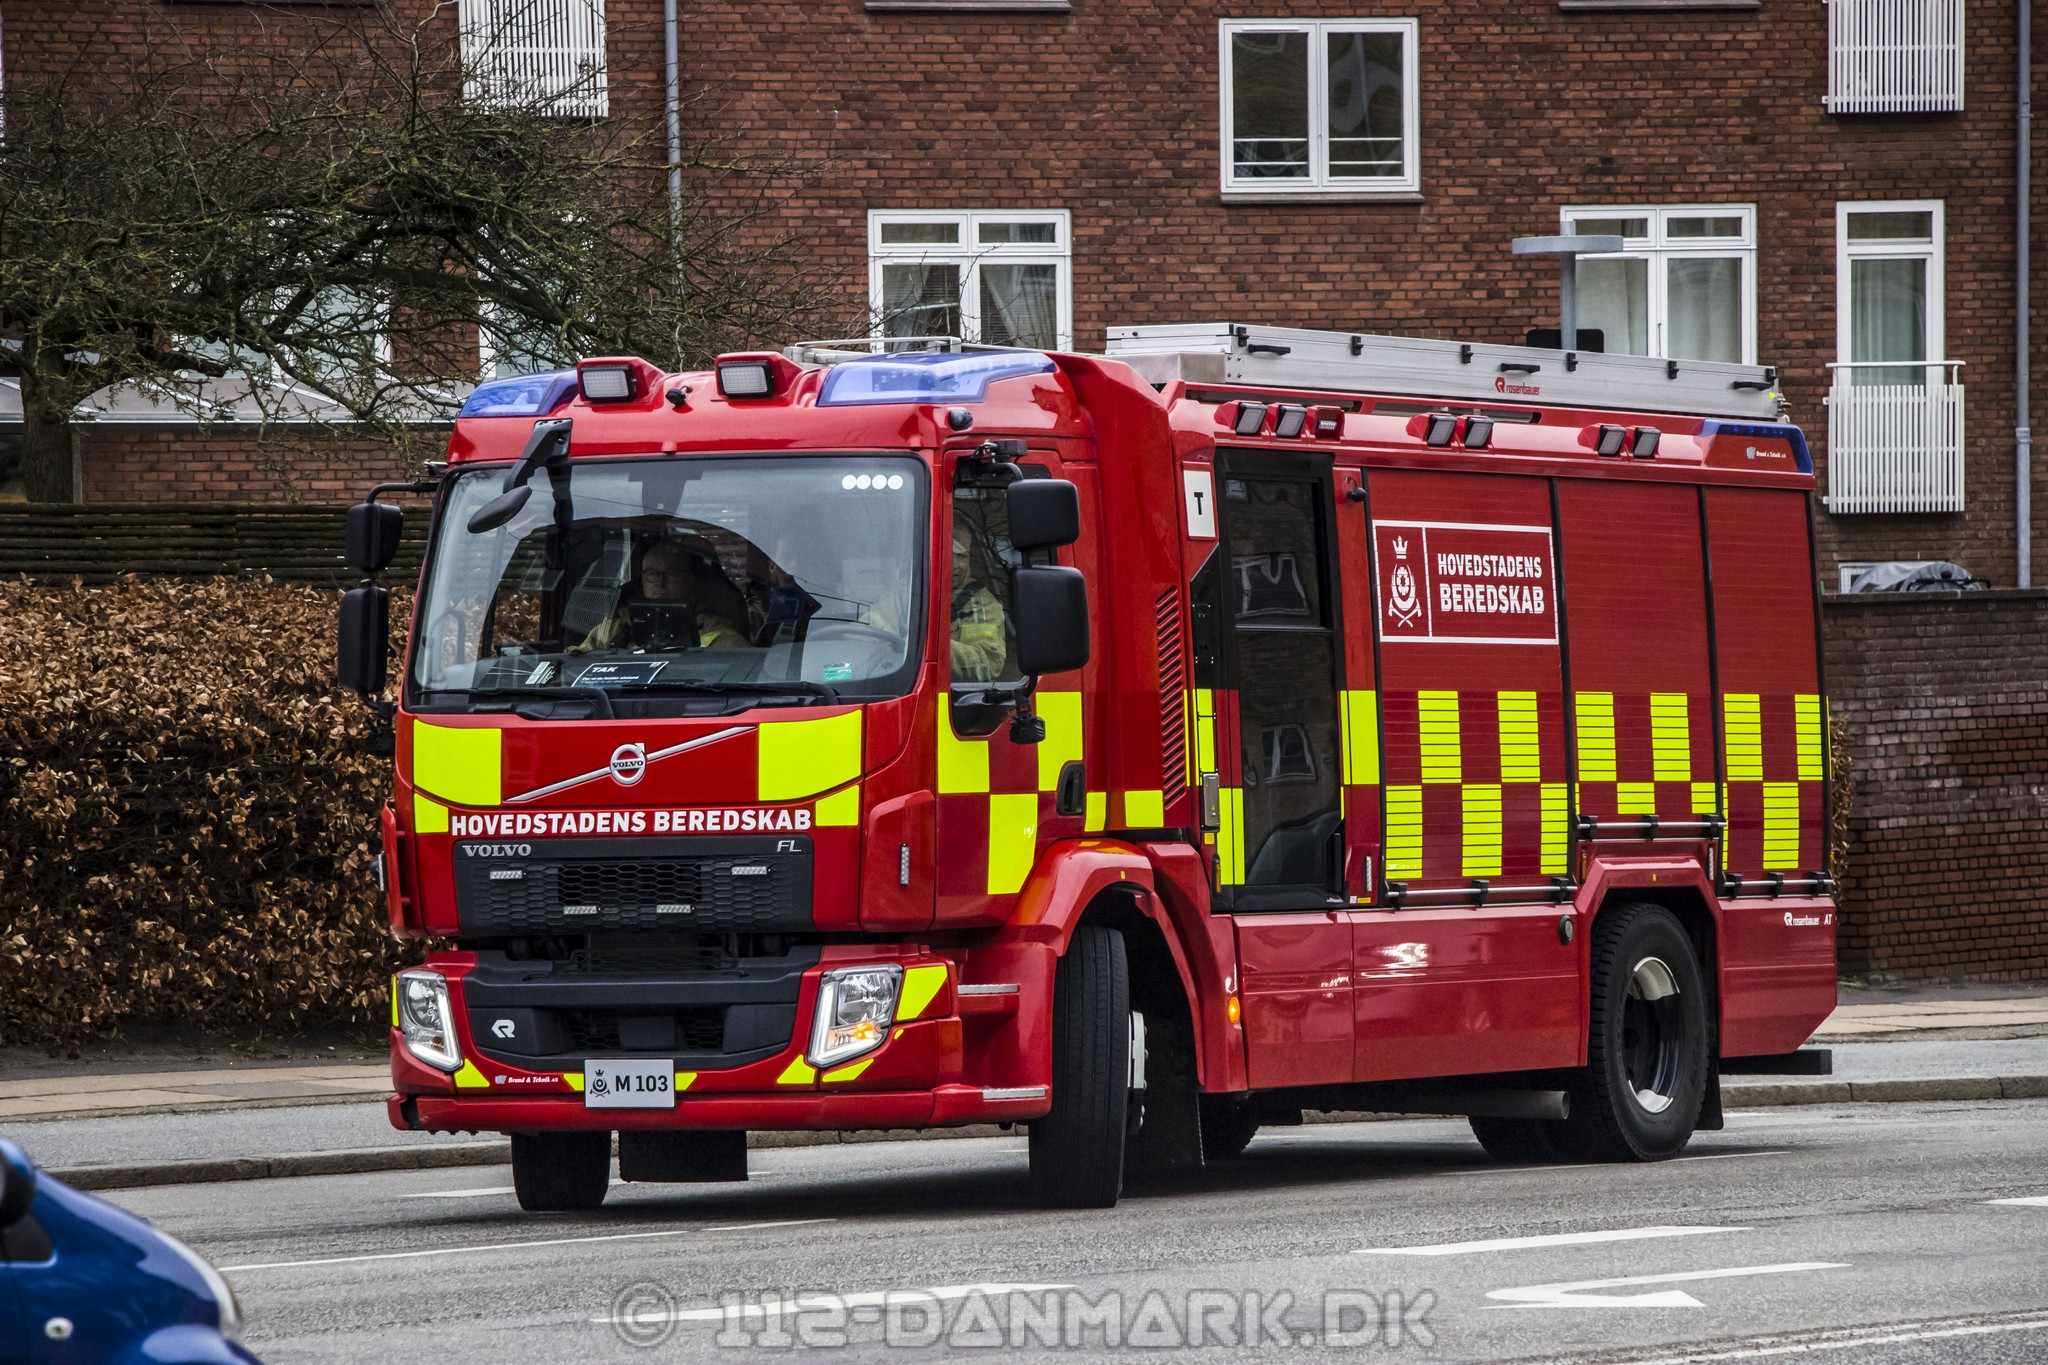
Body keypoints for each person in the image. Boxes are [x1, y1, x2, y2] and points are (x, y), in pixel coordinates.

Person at [577, 537, 746, 652]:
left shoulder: (720, 636)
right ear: (642, 581)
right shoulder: (613, 629)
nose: (661, 583)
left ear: (690, 580)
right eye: (652, 574)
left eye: (673, 574)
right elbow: (575, 663)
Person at [949, 517, 1010, 683]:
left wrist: (931, 648)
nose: (955, 565)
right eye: (947, 554)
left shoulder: (981, 604)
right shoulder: (907, 598)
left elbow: (988, 663)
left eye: (961, 556)